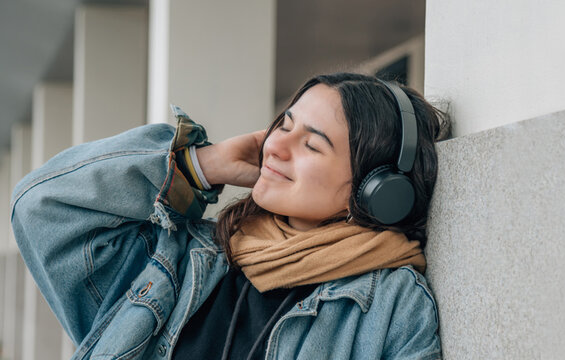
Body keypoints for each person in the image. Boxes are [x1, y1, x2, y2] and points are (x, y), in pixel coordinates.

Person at [10, 73, 448, 359]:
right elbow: (42, 207)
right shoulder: (182, 263)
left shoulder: (392, 305)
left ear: (377, 192)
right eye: (285, 125)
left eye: (312, 145)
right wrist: (200, 164)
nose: (275, 146)